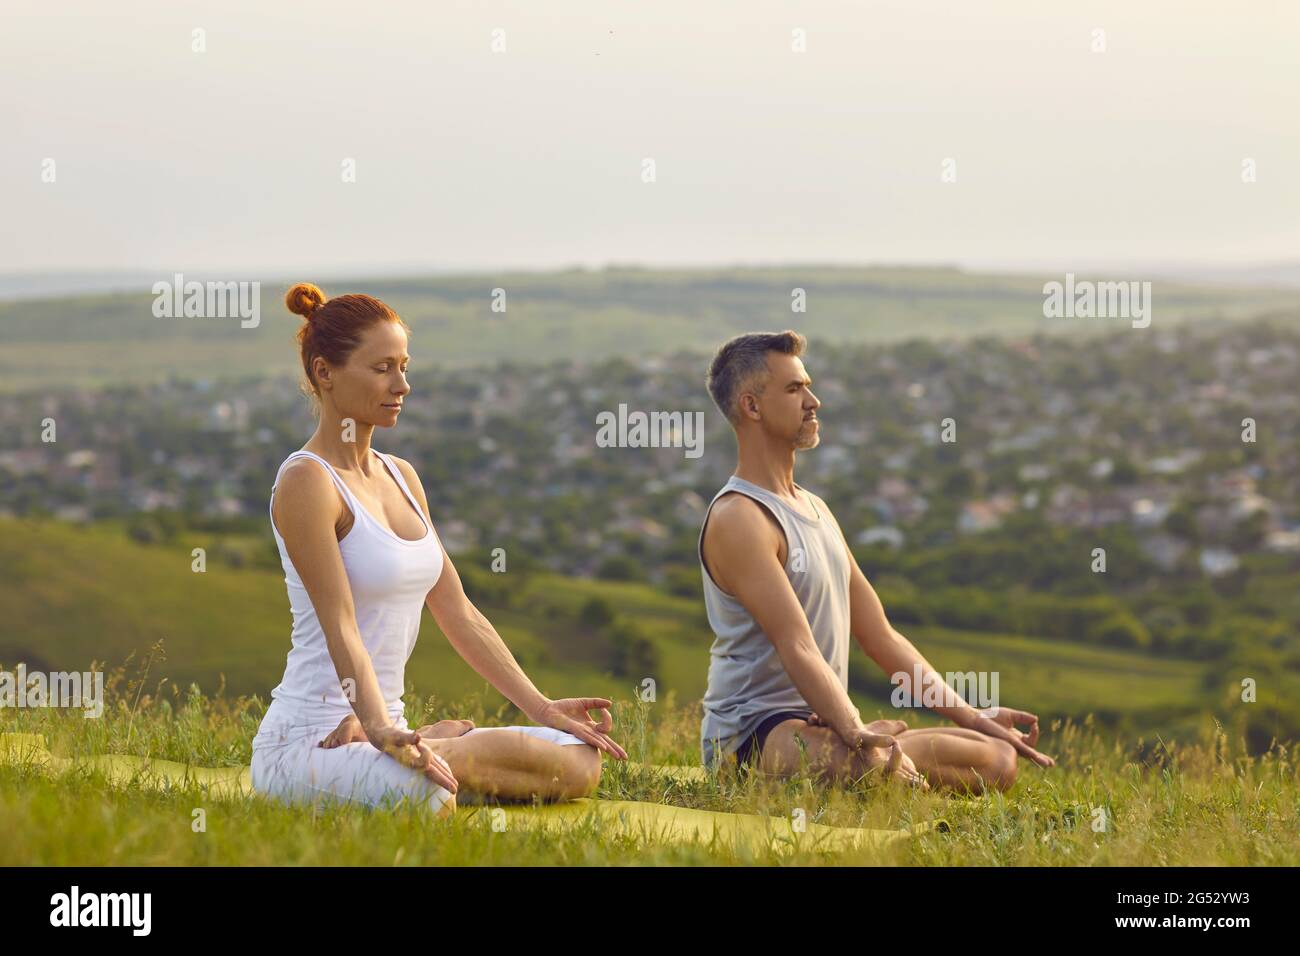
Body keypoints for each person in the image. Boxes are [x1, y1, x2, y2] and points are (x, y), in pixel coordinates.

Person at [250, 283, 627, 817]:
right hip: (306, 744)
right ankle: (419, 745)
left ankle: (432, 744)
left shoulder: (401, 476)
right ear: (324, 372)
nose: (401, 384)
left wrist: (541, 707)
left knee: (581, 758)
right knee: (432, 799)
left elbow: (457, 610)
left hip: (384, 729)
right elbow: (340, 623)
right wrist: (379, 726)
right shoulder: (307, 481)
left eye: (403, 366)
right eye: (382, 368)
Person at [697, 330, 1056, 792]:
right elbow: (797, 645)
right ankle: (870, 760)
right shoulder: (741, 518)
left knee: (996, 759)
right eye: (794, 389)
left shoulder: (815, 509)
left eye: (807, 385)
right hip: (753, 737)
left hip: (822, 723)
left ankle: (872, 757)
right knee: (873, 769)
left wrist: (973, 716)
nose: (814, 401)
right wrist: (852, 730)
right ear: (752, 406)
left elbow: (880, 636)